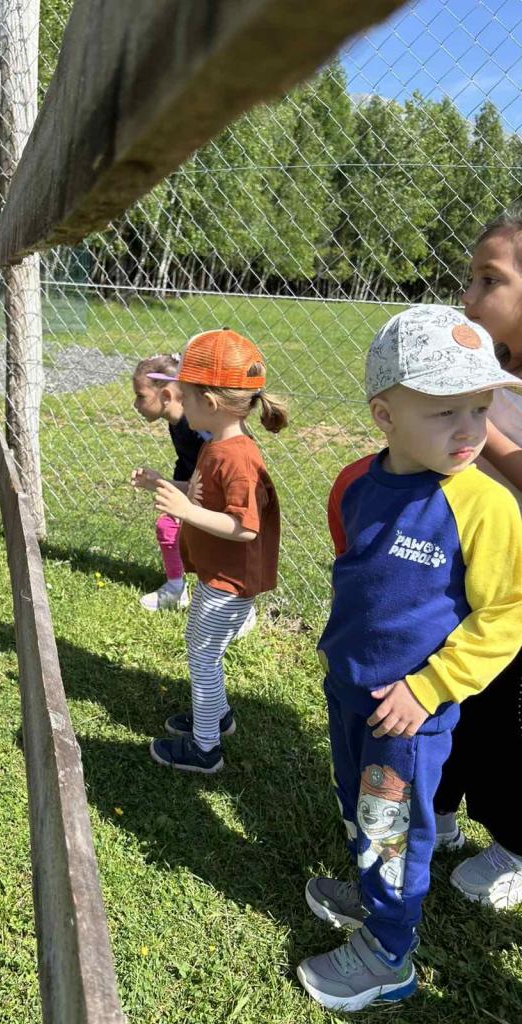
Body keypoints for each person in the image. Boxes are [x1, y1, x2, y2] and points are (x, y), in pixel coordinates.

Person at [297, 305, 522, 1012]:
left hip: (410, 716)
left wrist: (430, 688)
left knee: (393, 830)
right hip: (350, 690)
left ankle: (388, 954)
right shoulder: (361, 485)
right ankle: (372, 895)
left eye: (480, 407)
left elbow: (506, 615)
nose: (470, 429)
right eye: (445, 410)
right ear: (385, 416)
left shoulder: (485, 506)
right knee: (360, 809)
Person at [132, 328, 286, 773]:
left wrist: (185, 511)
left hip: (230, 582)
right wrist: (163, 483)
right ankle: (217, 718)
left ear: (211, 403)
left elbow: (244, 527)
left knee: (202, 655)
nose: (179, 404)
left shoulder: (237, 458)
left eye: (185, 395)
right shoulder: (216, 446)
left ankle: (205, 749)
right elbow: (202, 495)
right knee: (201, 648)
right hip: (216, 575)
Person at [430, 209, 522, 908]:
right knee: (456, 695)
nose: (468, 296)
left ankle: (515, 847)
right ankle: (439, 812)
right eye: (470, 279)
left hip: (518, 596)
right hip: (466, 570)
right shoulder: (489, 371)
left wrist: (476, 427)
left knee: (507, 725)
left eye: (489, 279)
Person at [131, 353, 207, 612]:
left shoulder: (196, 427)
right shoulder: (177, 423)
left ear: (165, 396)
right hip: (195, 487)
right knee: (168, 525)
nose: (136, 404)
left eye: (141, 396)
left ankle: (226, 599)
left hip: (213, 494)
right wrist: (164, 483)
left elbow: (209, 473)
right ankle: (176, 588)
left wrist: (165, 485)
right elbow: (187, 465)